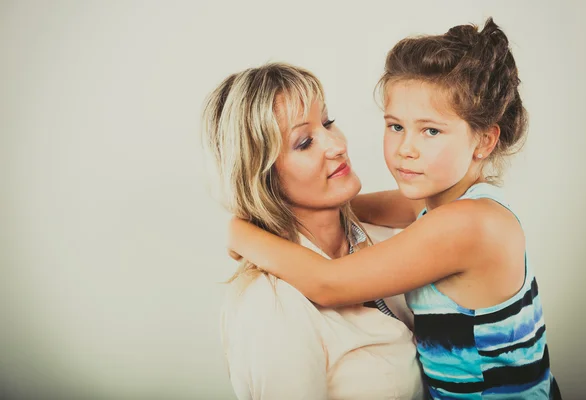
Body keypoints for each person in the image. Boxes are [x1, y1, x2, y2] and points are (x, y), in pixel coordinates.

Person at [226, 18, 561, 399]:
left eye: (430, 130)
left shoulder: (469, 225)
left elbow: (329, 283)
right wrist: (288, 202)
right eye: (395, 126)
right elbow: (355, 207)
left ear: (484, 140)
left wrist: (242, 232)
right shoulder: (446, 203)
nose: (406, 149)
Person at [201, 62, 425, 399]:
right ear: (263, 178)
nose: (336, 145)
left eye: (328, 122)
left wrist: (241, 231)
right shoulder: (271, 308)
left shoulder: (377, 237)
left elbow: (431, 204)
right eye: (304, 142)